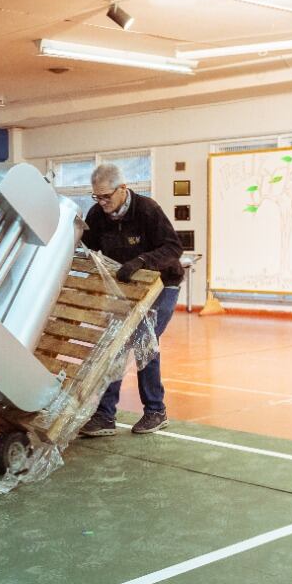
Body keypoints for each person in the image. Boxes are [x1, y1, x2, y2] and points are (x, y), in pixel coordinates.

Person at [78, 163, 183, 437]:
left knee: (142, 339)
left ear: (122, 189)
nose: (101, 203)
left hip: (162, 285)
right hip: (125, 287)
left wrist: (142, 260)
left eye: (106, 197)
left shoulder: (147, 210)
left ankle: (155, 411)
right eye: (96, 197)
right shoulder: (98, 215)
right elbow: (86, 248)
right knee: (114, 342)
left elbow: (173, 247)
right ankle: (104, 416)